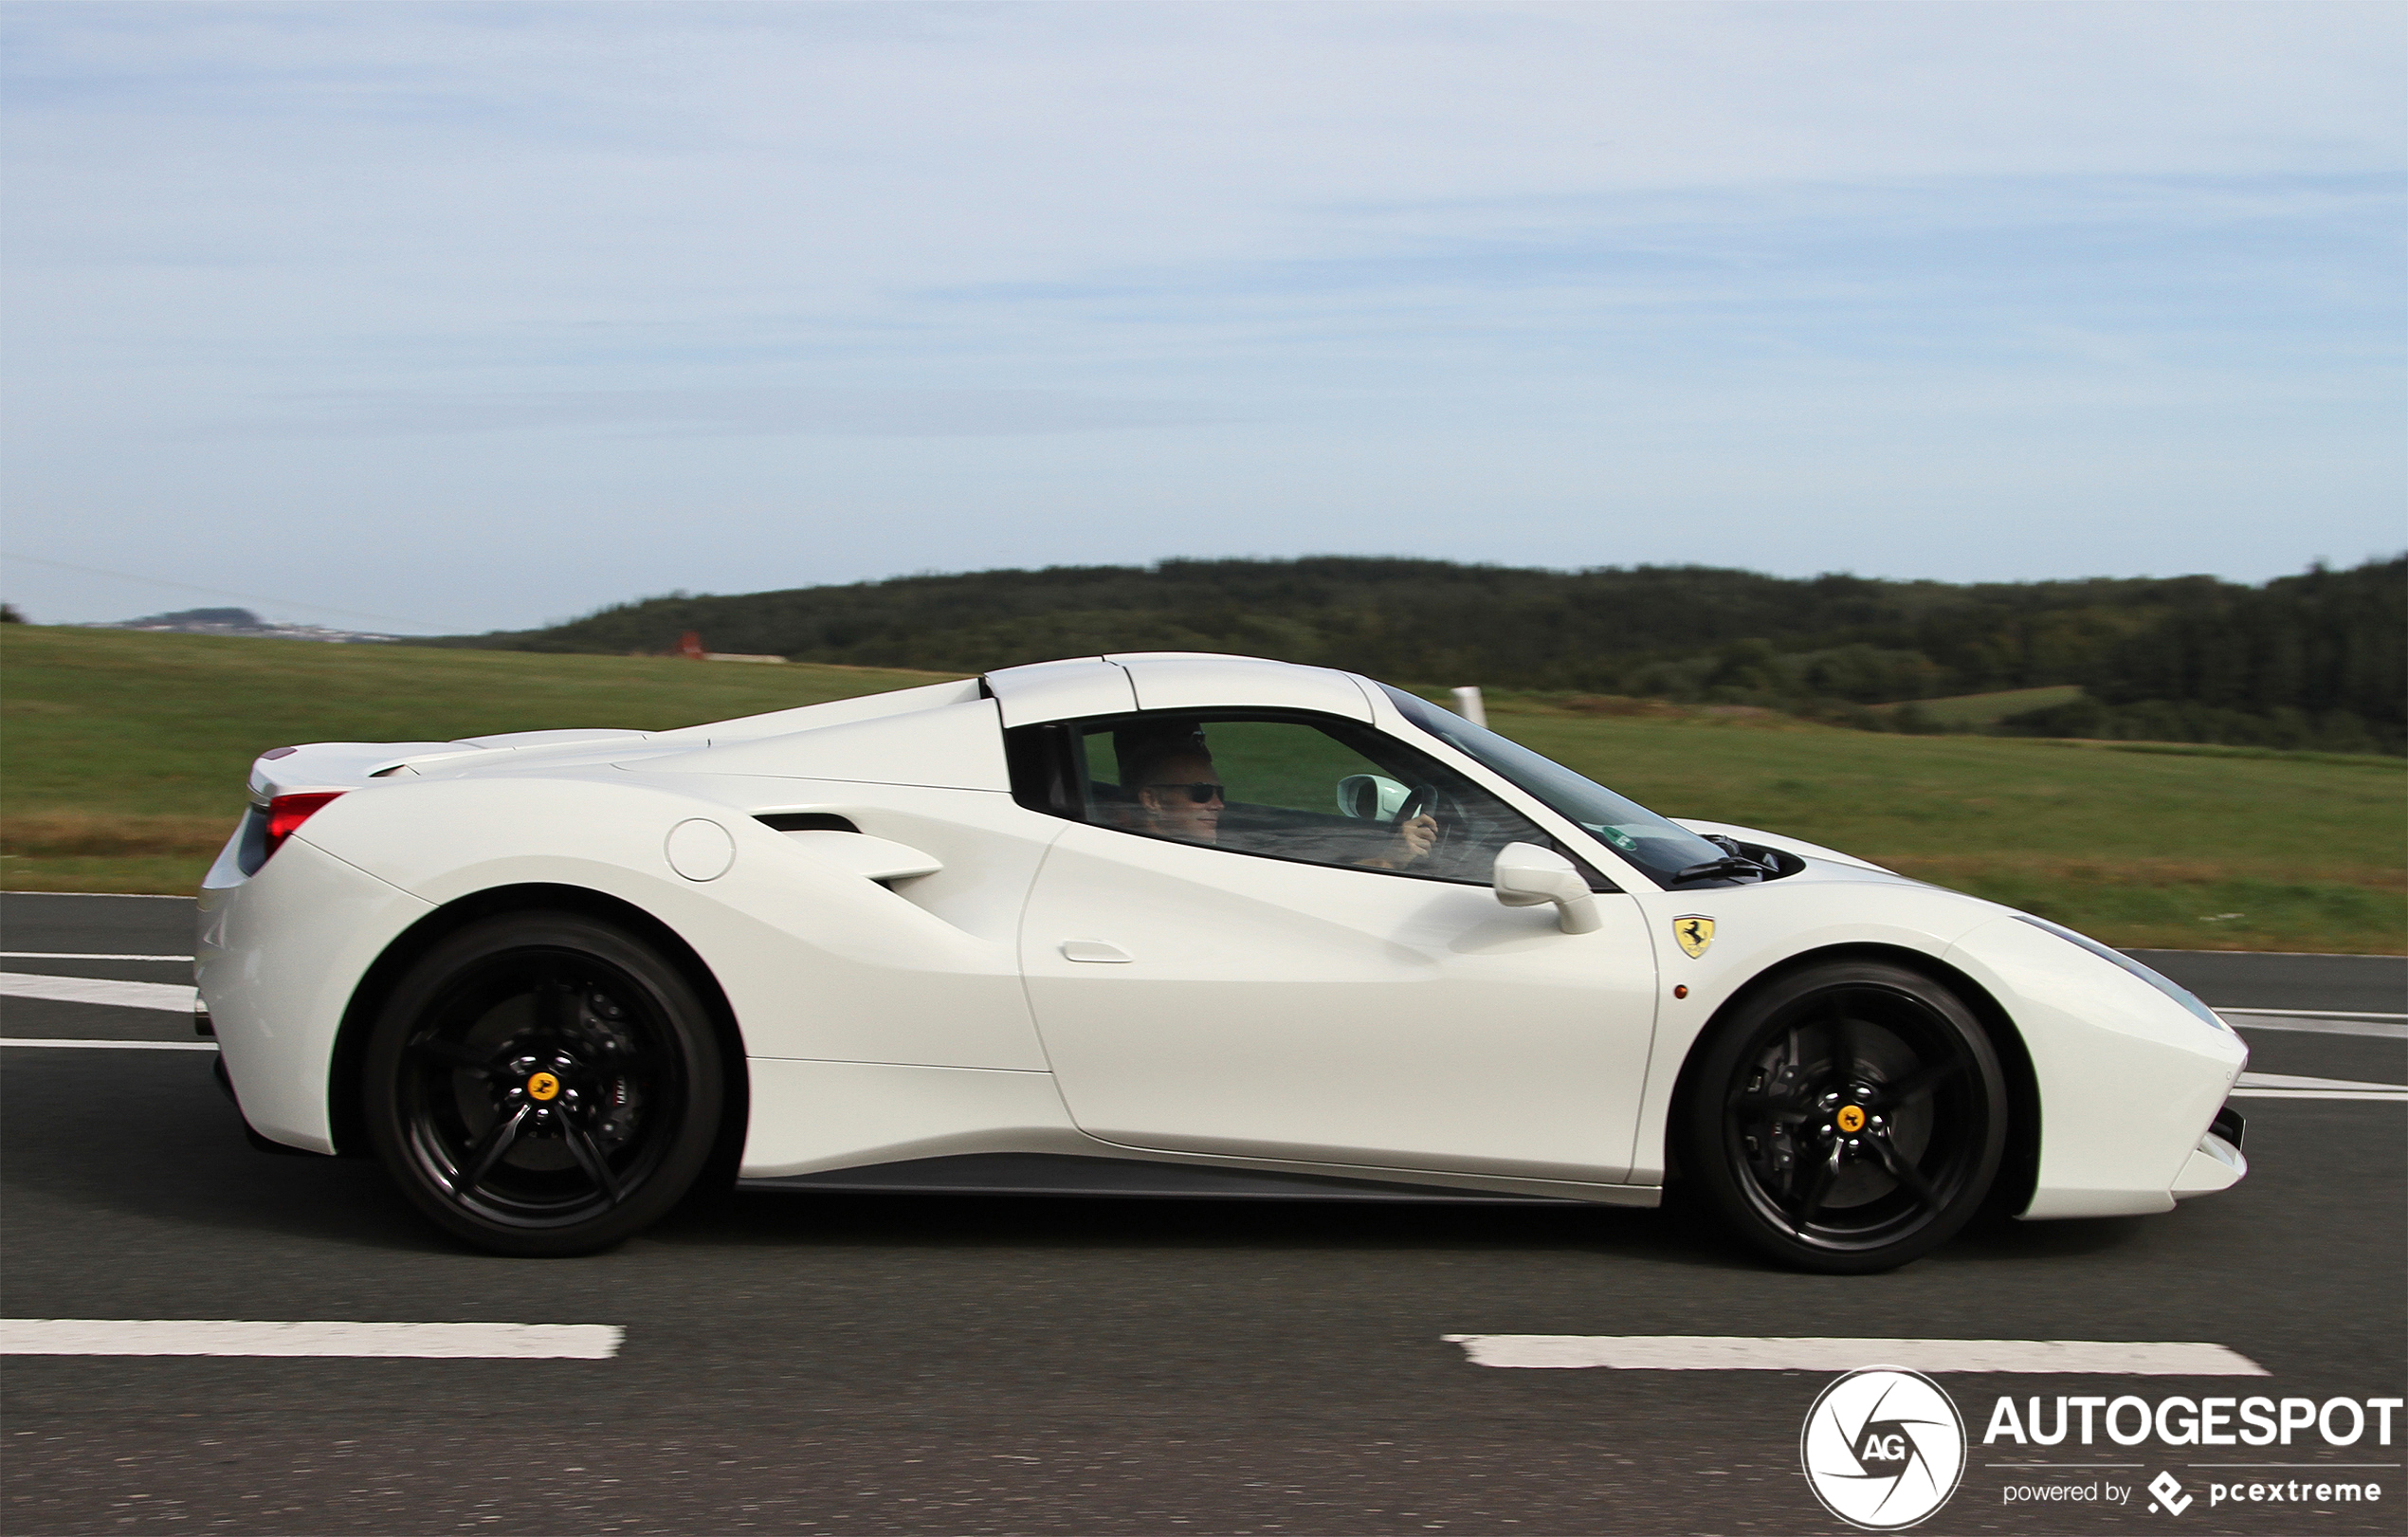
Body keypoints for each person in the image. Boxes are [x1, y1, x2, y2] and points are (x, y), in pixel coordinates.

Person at [1117, 729, 1436, 868]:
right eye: (1201, 793)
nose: (1218, 804)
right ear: (1152, 801)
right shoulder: (1161, 859)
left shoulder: (1177, 849)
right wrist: (1387, 860)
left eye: (1220, 793)